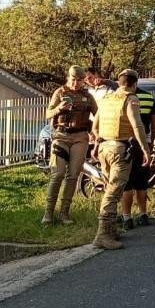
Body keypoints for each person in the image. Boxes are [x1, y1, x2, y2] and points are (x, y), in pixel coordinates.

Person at [90, 68, 150, 250]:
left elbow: (95, 127)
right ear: (135, 84)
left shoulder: (107, 99)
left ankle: (111, 230)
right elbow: (137, 125)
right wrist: (145, 149)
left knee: (110, 188)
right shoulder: (131, 99)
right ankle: (102, 235)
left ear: (119, 82)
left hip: (104, 148)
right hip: (119, 149)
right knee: (114, 191)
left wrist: (97, 144)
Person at [42, 66, 97, 225]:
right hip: (61, 136)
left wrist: (95, 132)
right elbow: (47, 113)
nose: (76, 83)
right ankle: (48, 213)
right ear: (68, 78)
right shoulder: (60, 92)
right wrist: (59, 108)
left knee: (73, 175)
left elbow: (97, 114)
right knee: (58, 173)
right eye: (73, 80)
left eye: (79, 80)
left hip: (80, 137)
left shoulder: (87, 96)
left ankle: (64, 213)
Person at [120, 83, 155, 229]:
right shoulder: (148, 97)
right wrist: (151, 142)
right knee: (142, 182)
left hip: (124, 144)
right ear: (135, 83)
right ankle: (143, 215)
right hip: (144, 144)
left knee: (127, 183)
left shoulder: (116, 98)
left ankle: (126, 218)